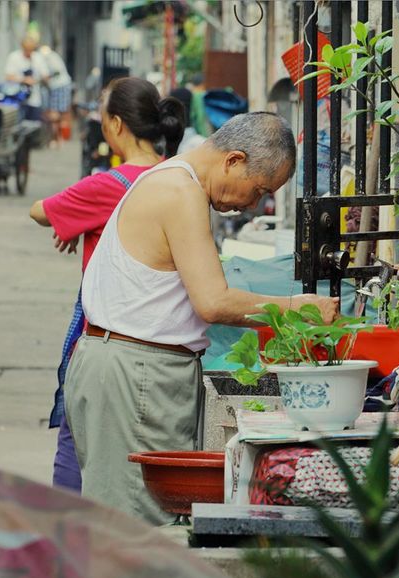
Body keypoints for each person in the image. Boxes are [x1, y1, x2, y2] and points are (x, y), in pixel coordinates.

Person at [64, 112, 339, 525]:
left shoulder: (174, 182)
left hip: (134, 367)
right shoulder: (179, 191)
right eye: (258, 191)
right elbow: (213, 302)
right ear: (233, 160)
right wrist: (297, 309)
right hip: (135, 372)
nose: (250, 205)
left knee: (138, 518)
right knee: (139, 526)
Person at [29, 77, 186, 492]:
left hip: (108, 341)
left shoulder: (107, 186)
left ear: (116, 125)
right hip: (165, 343)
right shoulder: (180, 178)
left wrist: (78, 219)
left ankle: (68, 535)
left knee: (75, 444)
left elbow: (39, 211)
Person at [4, 32, 50, 121]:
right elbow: (8, 77)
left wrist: (39, 79)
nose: (29, 52)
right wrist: (24, 80)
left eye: (31, 50)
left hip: (34, 99)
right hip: (17, 99)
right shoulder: (14, 57)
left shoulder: (38, 58)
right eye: (26, 50)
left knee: (34, 124)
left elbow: (46, 76)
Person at [39, 45, 73, 147]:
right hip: (54, 87)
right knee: (55, 114)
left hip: (59, 86)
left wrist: (45, 78)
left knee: (57, 114)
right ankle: (57, 139)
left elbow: (54, 73)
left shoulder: (50, 57)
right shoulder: (50, 57)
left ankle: (58, 139)